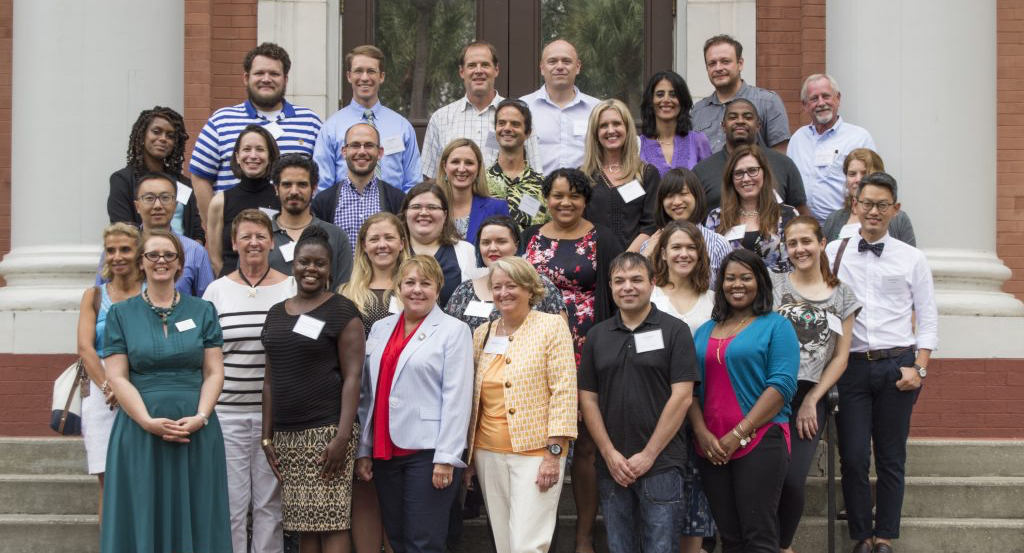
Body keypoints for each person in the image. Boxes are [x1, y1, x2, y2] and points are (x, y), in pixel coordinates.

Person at [825, 172, 937, 553]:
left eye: (882, 205)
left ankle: (885, 536)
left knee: (891, 456)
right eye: (867, 203)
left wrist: (918, 367)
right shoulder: (833, 253)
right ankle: (861, 535)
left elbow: (928, 315)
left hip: (897, 366)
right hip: (850, 365)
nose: (874, 211)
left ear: (895, 210)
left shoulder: (912, 258)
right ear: (855, 205)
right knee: (854, 457)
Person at [100, 228, 231, 552]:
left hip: (196, 430)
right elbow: (117, 377)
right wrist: (145, 421)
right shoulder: (120, 313)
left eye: (168, 255)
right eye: (153, 255)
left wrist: (201, 416)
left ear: (179, 264)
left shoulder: (203, 310)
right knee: (142, 509)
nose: (161, 261)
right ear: (141, 263)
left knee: (199, 509)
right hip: (140, 430)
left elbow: (214, 371)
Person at [522, 168, 624, 553]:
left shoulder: (603, 238)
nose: (565, 202)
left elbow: (616, 296)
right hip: (536, 348)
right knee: (538, 437)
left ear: (585, 200)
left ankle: (583, 537)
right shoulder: (530, 238)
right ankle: (534, 536)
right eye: (557, 195)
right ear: (546, 198)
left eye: (574, 196)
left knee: (583, 445)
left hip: (585, 347)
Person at [579, 253, 698, 553]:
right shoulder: (596, 336)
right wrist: (608, 453)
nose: (627, 287)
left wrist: (648, 454)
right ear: (610, 286)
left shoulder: (675, 331)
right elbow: (588, 399)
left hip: (662, 465)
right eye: (619, 281)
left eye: (636, 280)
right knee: (620, 548)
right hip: (612, 467)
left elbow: (682, 397)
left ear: (652, 283)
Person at [355, 255, 474, 553]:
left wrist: (447, 456)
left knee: (424, 541)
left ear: (439, 288)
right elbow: (370, 392)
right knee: (396, 537)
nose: (416, 290)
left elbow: (458, 396)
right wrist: (365, 449)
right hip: (385, 450)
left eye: (425, 283)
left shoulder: (453, 330)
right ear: (398, 287)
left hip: (429, 452)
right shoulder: (381, 328)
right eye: (409, 282)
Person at [688, 249, 799, 553]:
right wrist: (702, 434)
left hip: (760, 438)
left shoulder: (777, 326)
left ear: (760, 282)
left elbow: (782, 386)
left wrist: (737, 435)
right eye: (730, 278)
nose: (738, 284)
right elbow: (691, 389)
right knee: (730, 537)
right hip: (711, 445)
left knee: (759, 537)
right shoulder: (706, 330)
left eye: (746, 278)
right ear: (720, 284)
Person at [463, 256, 577, 553]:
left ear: (529, 289)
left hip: (536, 452)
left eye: (511, 285)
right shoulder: (481, 334)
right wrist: (470, 456)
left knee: (528, 544)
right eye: (497, 287)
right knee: (503, 542)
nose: (503, 293)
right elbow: (475, 399)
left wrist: (555, 453)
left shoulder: (551, 326)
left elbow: (564, 391)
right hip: (488, 451)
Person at [260, 225, 363, 553]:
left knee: (331, 523)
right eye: (305, 261)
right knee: (304, 526)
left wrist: (342, 437)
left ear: (330, 269)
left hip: (327, 433)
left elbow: (353, 378)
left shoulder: (342, 311)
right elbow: (269, 381)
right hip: (287, 438)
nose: (311, 269)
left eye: (319, 263)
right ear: (294, 265)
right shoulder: (276, 314)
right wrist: (267, 437)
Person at [202, 209, 294, 553]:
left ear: (272, 241)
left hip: (276, 417)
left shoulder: (291, 286)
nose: (253, 242)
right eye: (246, 236)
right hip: (226, 415)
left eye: (260, 236)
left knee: (270, 506)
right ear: (233, 243)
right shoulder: (216, 291)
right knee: (231, 505)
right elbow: (206, 356)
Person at [773, 215, 860, 553]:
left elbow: (840, 356)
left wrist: (814, 399)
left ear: (822, 243)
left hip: (809, 395)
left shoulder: (842, 295)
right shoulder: (775, 285)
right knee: (766, 474)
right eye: (792, 243)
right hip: (769, 392)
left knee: (793, 479)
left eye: (806, 241)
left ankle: (783, 545)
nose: (799, 249)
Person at [339, 212, 409, 553]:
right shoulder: (347, 293)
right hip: (361, 401)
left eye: (389, 238)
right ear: (363, 247)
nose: (382, 245)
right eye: (374, 239)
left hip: (405, 402)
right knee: (364, 483)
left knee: (397, 489)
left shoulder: (415, 287)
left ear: (401, 243)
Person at [646, 221, 718, 553]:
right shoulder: (651, 296)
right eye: (676, 247)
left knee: (697, 490)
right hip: (659, 404)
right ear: (663, 253)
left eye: (690, 247)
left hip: (706, 403)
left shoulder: (715, 300)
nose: (683, 254)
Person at [190, 42, 323, 221]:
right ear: (246, 78)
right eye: (259, 73)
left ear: (285, 79)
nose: (266, 79)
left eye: (274, 73)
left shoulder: (310, 122)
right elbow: (200, 177)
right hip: (234, 236)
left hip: (293, 236)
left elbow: (321, 181)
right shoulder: (221, 121)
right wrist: (213, 227)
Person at [76, 223, 143, 522]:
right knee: (109, 480)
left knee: (143, 476)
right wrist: (109, 387)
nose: (117, 257)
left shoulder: (150, 292)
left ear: (139, 253)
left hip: (143, 383)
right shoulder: (93, 296)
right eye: (111, 250)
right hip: (103, 393)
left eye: (125, 249)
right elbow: (85, 348)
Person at [420, 41, 542, 177]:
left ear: (496, 70)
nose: (479, 71)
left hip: (505, 198)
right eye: (472, 65)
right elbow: (430, 177)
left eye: (485, 65)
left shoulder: (518, 115)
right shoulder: (440, 118)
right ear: (462, 71)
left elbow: (535, 172)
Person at [314, 44, 421, 192]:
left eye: (371, 71)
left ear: (381, 76)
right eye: (358, 71)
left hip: (393, 212)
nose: (364, 78)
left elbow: (413, 183)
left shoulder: (402, 127)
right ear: (349, 76)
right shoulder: (331, 128)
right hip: (344, 213)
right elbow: (322, 186)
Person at [97, 172, 215, 297]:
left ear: (175, 206)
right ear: (137, 206)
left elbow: (207, 304)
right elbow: (100, 299)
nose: (158, 205)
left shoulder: (195, 252)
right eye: (149, 198)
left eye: (165, 198)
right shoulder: (117, 251)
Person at [445, 215, 566, 331]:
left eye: (501, 241)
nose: (492, 248)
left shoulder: (539, 284)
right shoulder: (464, 291)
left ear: (516, 246)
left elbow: (561, 333)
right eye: (486, 243)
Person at [108, 106, 204, 243]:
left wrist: (191, 253)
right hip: (142, 258)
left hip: (184, 258)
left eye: (170, 136)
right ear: (142, 136)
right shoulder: (122, 180)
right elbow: (123, 228)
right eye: (156, 132)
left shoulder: (183, 183)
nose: (163, 139)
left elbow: (196, 230)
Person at [787, 74, 876, 222]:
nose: (821, 103)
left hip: (845, 224)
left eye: (826, 96)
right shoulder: (798, 139)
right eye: (814, 98)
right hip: (806, 229)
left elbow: (873, 184)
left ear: (838, 98)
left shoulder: (859, 137)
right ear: (805, 105)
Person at [693, 99, 808, 213]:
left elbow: (801, 214)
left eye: (748, 117)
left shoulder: (783, 164)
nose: (740, 121)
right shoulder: (702, 170)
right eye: (733, 117)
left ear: (758, 126)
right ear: (723, 126)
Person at [311, 123, 407, 253]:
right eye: (355, 145)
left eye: (369, 145)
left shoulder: (398, 200)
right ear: (344, 152)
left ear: (380, 152)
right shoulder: (323, 201)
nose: (362, 152)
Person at [581, 99, 661, 250]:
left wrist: (627, 260)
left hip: (636, 264)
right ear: (595, 132)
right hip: (594, 264)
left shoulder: (647, 174)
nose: (611, 130)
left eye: (617, 123)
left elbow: (651, 225)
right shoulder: (583, 176)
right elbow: (578, 225)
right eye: (603, 125)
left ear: (627, 128)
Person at [705, 145, 799, 272]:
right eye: (738, 173)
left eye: (752, 170)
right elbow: (711, 267)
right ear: (731, 179)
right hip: (733, 290)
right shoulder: (716, 218)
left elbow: (797, 262)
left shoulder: (788, 215)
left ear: (764, 172)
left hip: (779, 290)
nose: (746, 178)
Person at [266, 154, 353, 290]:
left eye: (302, 184)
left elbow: (344, 291)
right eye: (287, 184)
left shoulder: (336, 236)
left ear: (314, 189)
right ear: (276, 189)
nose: (294, 191)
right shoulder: (261, 237)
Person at [691, 35, 790, 154]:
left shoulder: (768, 102)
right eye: (712, 63)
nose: (718, 68)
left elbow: (780, 158)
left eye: (725, 61)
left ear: (740, 64)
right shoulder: (698, 111)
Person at [207, 124, 282, 276]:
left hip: (273, 284)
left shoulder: (281, 198)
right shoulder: (220, 202)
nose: (253, 155)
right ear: (237, 156)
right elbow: (215, 259)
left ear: (270, 156)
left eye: (260, 149)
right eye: (247, 149)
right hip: (231, 285)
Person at [633, 168, 732, 282]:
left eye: (683, 194)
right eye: (669, 196)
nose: (677, 202)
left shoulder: (718, 244)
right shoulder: (649, 245)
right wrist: (646, 253)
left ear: (696, 196)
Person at [520, 39, 601, 175]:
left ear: (578, 67)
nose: (559, 66)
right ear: (542, 67)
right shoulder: (522, 107)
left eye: (566, 61)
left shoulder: (597, 109)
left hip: (586, 192)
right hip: (535, 193)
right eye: (552, 61)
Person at [400, 181, 479, 307]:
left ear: (445, 214)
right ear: (405, 213)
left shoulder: (466, 251)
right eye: (416, 207)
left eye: (432, 207)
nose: (424, 212)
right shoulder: (393, 251)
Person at [821, 148, 916, 245]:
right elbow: (825, 258)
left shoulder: (899, 219)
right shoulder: (833, 219)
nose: (858, 179)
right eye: (852, 174)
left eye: (865, 173)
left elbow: (909, 256)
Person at [486, 99, 550, 229]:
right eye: (502, 123)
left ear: (527, 133)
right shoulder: (479, 181)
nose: (507, 128)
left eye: (515, 124)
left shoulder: (543, 187)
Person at [435, 138, 509, 244]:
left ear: (478, 168)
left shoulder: (496, 208)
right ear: (444, 166)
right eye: (455, 162)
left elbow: (506, 254)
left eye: (469, 163)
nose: (461, 169)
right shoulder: (431, 208)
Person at [639, 70, 712, 175]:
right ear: (650, 101)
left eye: (673, 95)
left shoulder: (698, 141)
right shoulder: (637, 145)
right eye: (660, 94)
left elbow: (709, 184)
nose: (666, 99)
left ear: (682, 101)